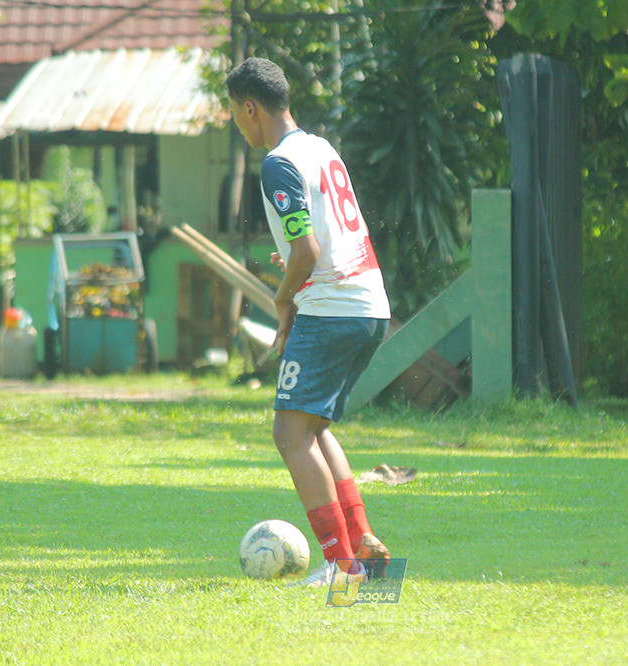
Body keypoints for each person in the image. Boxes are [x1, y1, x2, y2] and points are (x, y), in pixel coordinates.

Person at [225, 57, 391, 585]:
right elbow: (324, 238)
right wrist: (298, 266)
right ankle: (362, 546)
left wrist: (283, 298)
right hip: (369, 306)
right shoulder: (321, 148)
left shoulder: (277, 164)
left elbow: (308, 250)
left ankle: (341, 565)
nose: (237, 124)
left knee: (289, 433)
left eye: (235, 113)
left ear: (250, 108)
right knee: (314, 427)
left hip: (332, 311)